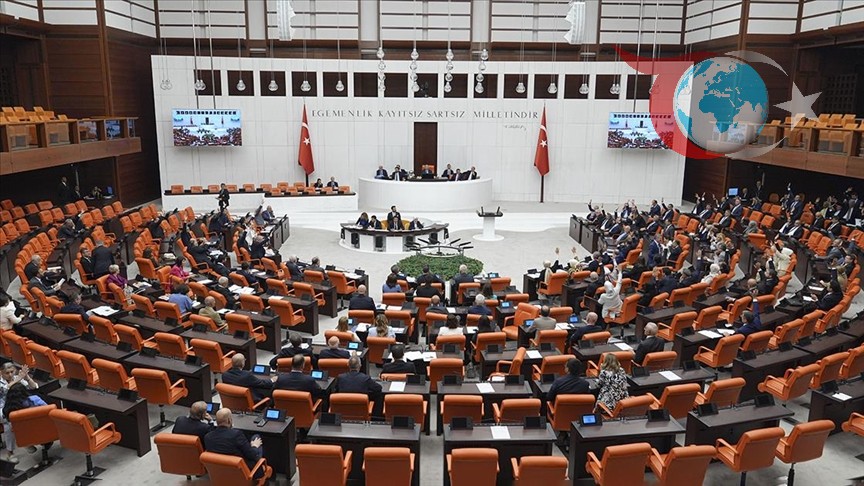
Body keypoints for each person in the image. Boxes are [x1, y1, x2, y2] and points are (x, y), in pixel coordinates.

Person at [204, 409, 265, 479]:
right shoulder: (236, 434)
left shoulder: (207, 437)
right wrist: (254, 446)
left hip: (220, 472)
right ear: (229, 420)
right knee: (256, 437)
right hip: (243, 473)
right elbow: (251, 455)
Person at [0, 363, 38, 462]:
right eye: (7, 373)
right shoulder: (8, 381)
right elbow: (5, 389)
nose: (10, 375)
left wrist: (27, 378)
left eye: (12, 372)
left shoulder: (18, 378)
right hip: (2, 408)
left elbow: (34, 387)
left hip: (17, 405)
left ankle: (25, 441)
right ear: (1, 373)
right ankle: (10, 453)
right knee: (9, 422)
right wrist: (19, 379)